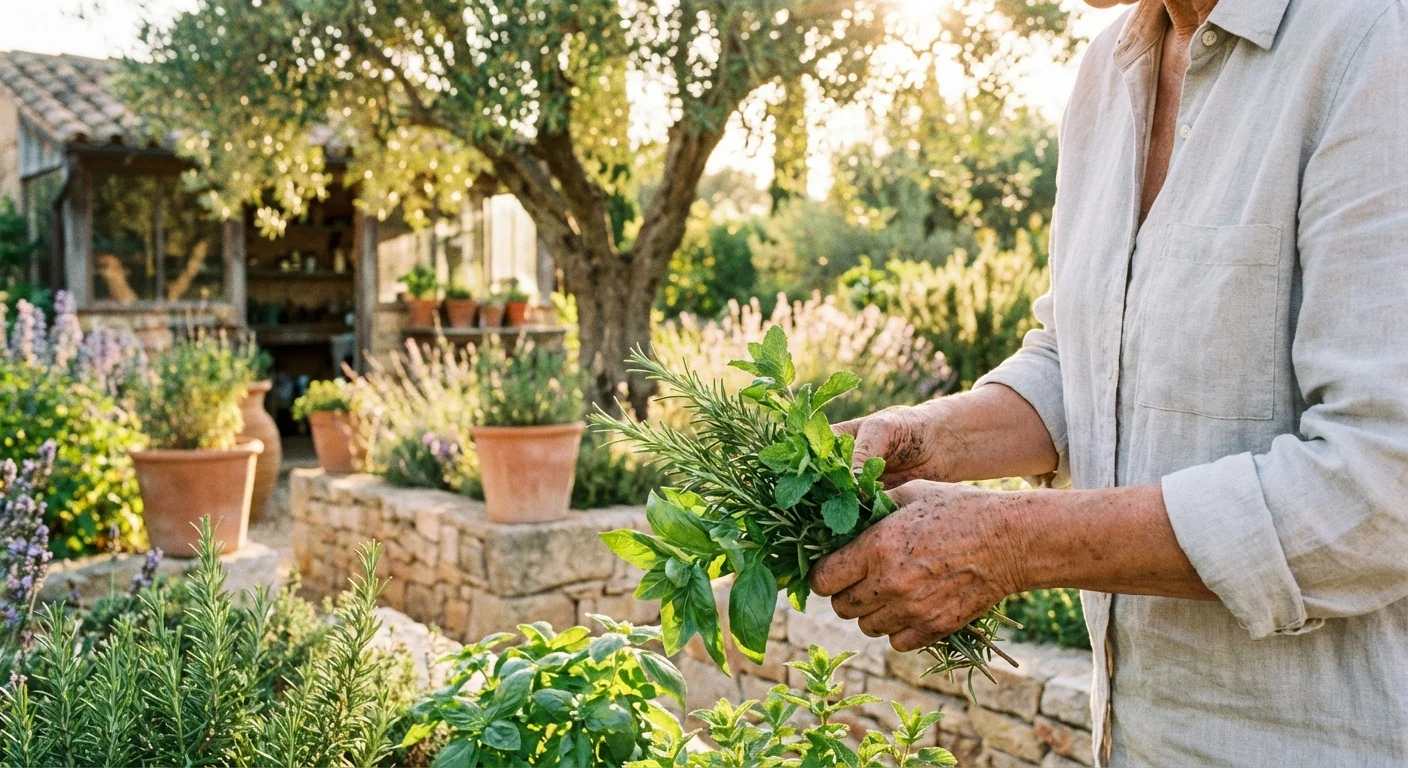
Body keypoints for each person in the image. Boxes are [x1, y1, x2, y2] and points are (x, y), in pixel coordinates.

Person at [807, 0, 1408, 764]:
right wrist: (933, 438)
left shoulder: (1374, 42)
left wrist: (1006, 542)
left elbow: (1383, 486)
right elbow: (1082, 357)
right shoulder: (1109, 66)